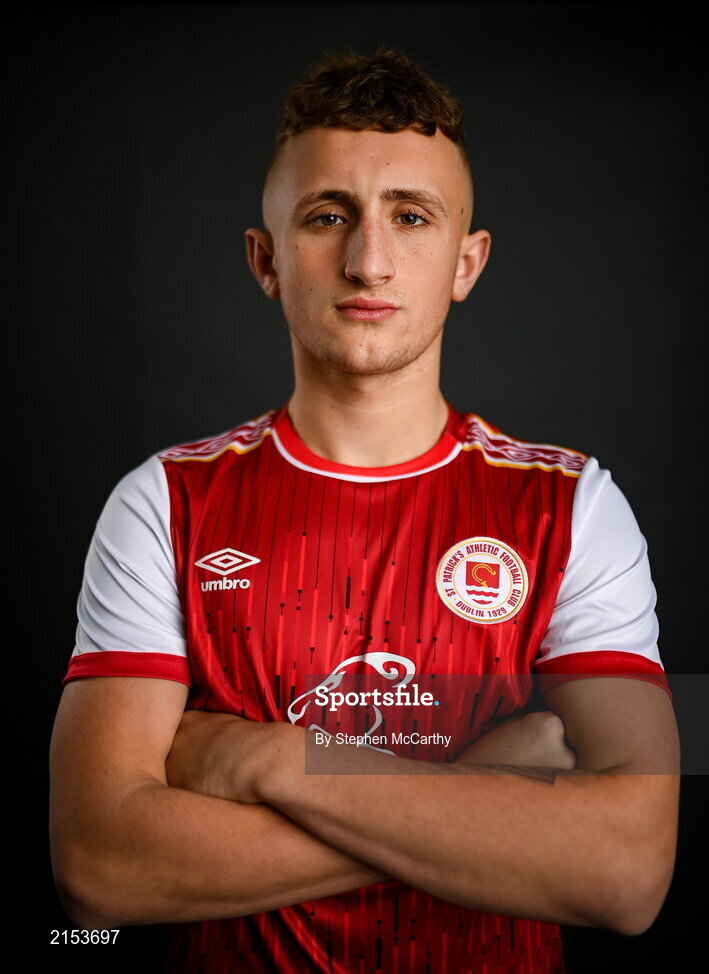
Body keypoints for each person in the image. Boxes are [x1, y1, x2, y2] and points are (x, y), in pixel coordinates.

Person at [49, 50, 679, 974]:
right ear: (265, 259)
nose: (367, 259)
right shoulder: (163, 502)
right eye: (327, 215)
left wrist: (270, 762)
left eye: (410, 217)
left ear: (466, 263)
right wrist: (479, 799)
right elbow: (96, 873)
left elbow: (628, 873)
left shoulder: (575, 503)